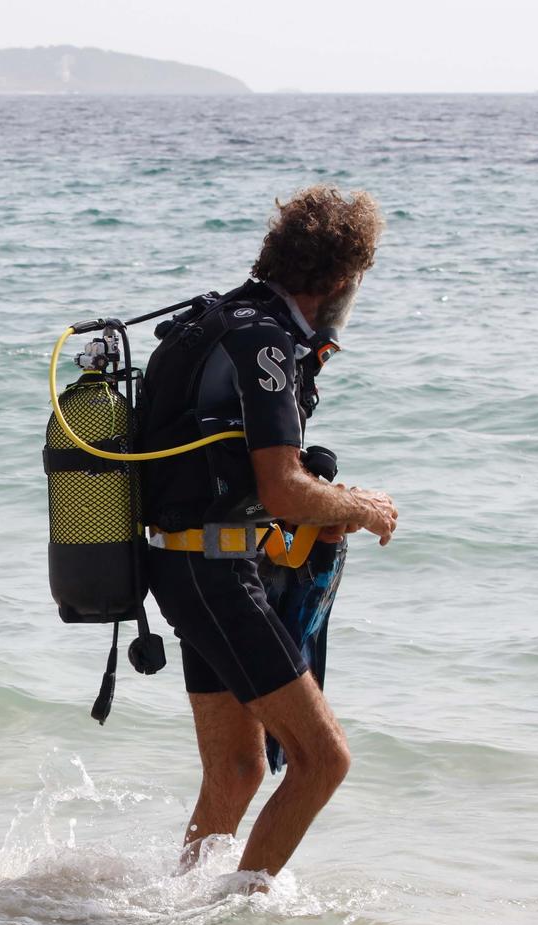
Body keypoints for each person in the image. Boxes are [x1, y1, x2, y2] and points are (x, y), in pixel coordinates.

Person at [134, 186, 400, 886]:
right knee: (324, 759)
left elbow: (230, 481)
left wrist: (324, 510)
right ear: (339, 281)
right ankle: (231, 924)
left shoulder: (221, 320)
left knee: (239, 767)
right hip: (213, 575)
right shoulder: (268, 342)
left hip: (186, 563)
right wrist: (360, 505)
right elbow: (280, 486)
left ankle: (182, 902)